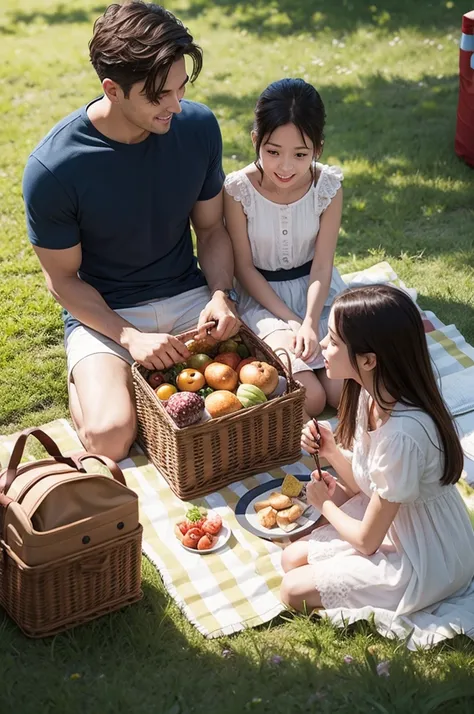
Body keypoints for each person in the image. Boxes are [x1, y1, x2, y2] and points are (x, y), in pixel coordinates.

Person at [22, 2, 240, 461]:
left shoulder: (197, 127)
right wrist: (128, 338)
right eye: (160, 95)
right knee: (110, 437)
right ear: (113, 89)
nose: (176, 106)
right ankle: (89, 379)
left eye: (181, 89)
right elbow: (62, 281)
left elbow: (213, 229)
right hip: (105, 315)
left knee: (253, 400)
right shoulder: (53, 169)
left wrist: (220, 294)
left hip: (189, 300)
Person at [280, 284, 474, 618]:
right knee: (289, 559)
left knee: (292, 590)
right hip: (397, 527)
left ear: (368, 360)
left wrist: (323, 502)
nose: (323, 346)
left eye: (333, 341)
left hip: (427, 557)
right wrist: (332, 452)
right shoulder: (369, 396)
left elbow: (367, 541)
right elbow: (367, 487)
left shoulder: (403, 433)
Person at [223, 78, 346, 417]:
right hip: (264, 300)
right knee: (312, 398)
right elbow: (243, 268)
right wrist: (292, 321)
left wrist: (308, 320)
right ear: (255, 141)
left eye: (301, 154)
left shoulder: (328, 187)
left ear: (317, 148)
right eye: (273, 152)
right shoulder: (238, 190)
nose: (286, 166)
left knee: (341, 392)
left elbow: (322, 265)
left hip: (318, 296)